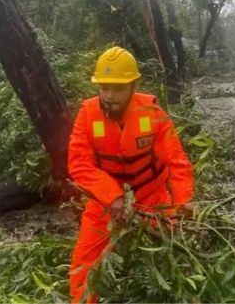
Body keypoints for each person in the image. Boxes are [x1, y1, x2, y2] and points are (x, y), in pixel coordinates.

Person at [67, 47, 194, 303]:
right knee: (84, 268)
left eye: (117, 88)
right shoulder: (87, 114)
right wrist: (111, 197)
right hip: (105, 204)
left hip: (152, 199)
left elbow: (177, 161)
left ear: (133, 86)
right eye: (104, 88)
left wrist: (184, 200)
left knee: (170, 259)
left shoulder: (152, 113)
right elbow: (79, 164)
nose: (109, 96)